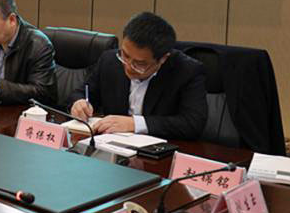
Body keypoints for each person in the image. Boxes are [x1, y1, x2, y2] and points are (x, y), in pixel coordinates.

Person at [67, 12, 208, 140]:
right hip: (110, 145)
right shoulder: (109, 60)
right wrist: (78, 103)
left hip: (158, 152)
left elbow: (192, 124)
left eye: (139, 64)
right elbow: (81, 93)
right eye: (125, 55)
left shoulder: (187, 71)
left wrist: (135, 123)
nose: (128, 66)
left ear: (162, 59)